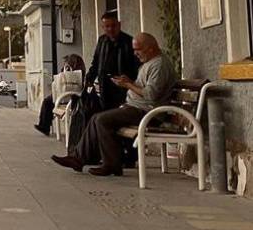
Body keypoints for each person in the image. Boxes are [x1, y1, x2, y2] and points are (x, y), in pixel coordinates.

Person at [51, 32, 176, 177]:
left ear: (150, 48)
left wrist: (128, 84)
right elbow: (144, 88)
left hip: (148, 112)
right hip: (137, 107)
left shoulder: (159, 65)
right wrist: (128, 82)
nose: (135, 54)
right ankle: (78, 158)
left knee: (102, 120)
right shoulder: (150, 63)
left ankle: (111, 164)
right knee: (96, 118)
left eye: (138, 50)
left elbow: (151, 95)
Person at [85, 11, 139, 110]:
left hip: (122, 88)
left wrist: (130, 82)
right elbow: (96, 62)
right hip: (104, 86)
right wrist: (89, 78)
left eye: (113, 26)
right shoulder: (102, 41)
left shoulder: (129, 42)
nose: (110, 29)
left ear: (119, 25)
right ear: (103, 27)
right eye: (107, 26)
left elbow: (136, 66)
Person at [33, 53, 86, 136]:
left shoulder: (77, 73)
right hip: (64, 96)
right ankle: (44, 125)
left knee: (47, 102)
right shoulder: (73, 71)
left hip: (68, 97)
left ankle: (44, 126)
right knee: (48, 101)